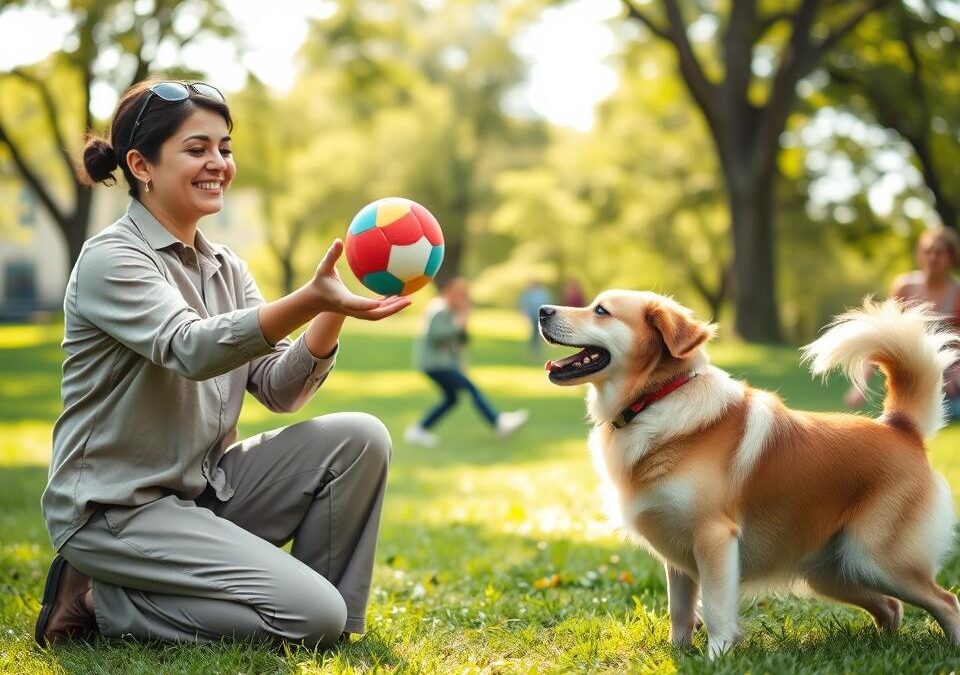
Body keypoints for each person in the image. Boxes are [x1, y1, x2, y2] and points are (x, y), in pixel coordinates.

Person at [34, 79, 412, 649]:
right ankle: (99, 600)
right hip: (118, 511)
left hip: (203, 492)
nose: (218, 163)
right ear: (141, 164)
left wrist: (334, 307)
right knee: (309, 618)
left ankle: (325, 621)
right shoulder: (112, 259)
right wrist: (309, 299)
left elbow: (280, 389)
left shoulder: (226, 266)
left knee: (359, 437)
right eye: (197, 149)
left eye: (225, 149)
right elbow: (191, 348)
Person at [844, 226, 960, 418]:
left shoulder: (957, 293)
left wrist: (957, 371)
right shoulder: (905, 287)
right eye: (927, 251)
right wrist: (860, 385)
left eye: (939, 253)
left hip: (947, 381)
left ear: (950, 257)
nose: (932, 257)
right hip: (910, 375)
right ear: (920, 254)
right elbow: (884, 336)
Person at [404, 277, 528, 447]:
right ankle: (498, 422)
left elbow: (462, 341)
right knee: (472, 389)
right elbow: (437, 336)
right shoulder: (439, 308)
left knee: (451, 399)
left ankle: (418, 429)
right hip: (435, 364)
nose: (462, 299)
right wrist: (459, 322)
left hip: (444, 364)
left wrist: (464, 322)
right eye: (459, 294)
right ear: (449, 291)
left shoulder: (450, 311)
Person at [518, 279, 551, 358]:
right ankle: (533, 352)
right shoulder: (528, 293)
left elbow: (547, 303)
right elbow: (524, 304)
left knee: (540, 334)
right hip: (533, 316)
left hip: (541, 317)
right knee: (534, 334)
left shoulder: (543, 292)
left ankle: (538, 351)